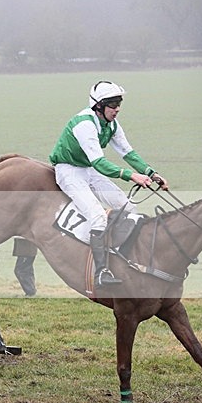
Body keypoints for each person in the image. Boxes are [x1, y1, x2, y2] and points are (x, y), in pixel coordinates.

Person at [49, 81, 168, 287]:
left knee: (128, 206)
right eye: (113, 104)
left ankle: (122, 256)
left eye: (119, 103)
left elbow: (127, 152)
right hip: (69, 171)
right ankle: (101, 273)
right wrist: (131, 176)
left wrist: (150, 173)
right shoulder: (84, 124)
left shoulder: (111, 124)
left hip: (88, 170)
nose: (117, 109)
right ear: (99, 106)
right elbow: (99, 162)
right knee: (97, 218)